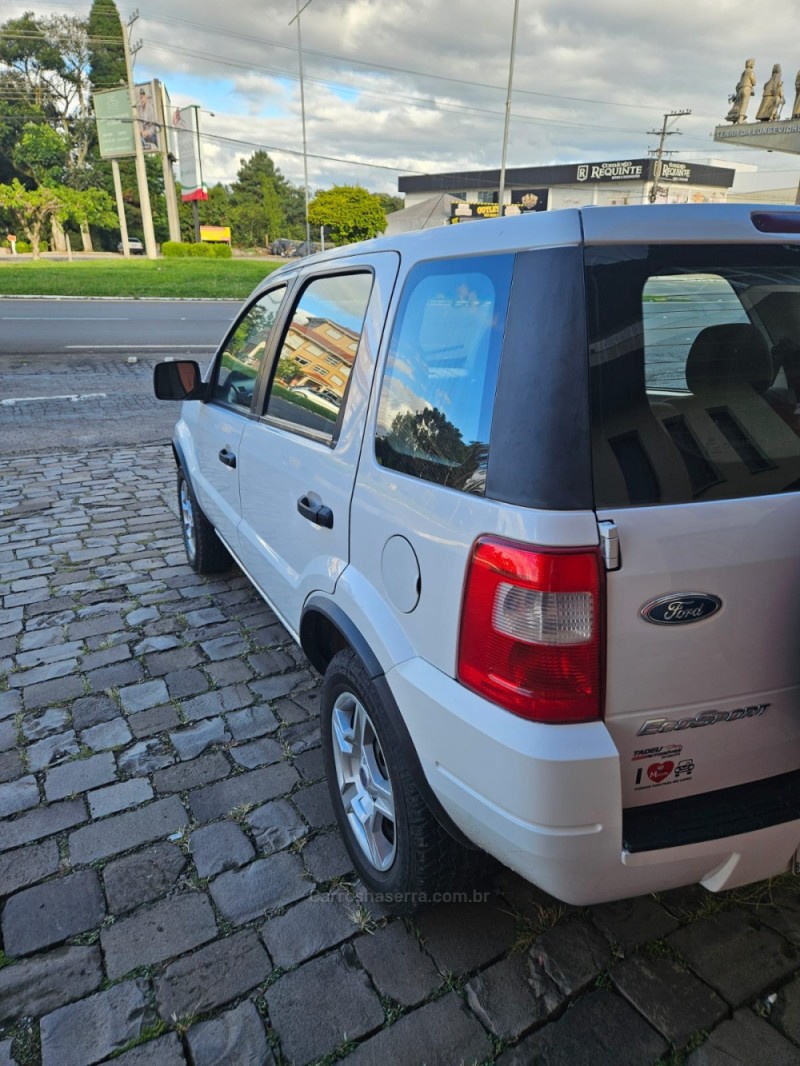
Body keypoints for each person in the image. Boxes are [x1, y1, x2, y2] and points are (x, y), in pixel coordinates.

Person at [725, 59, 756, 123]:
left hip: (740, 89)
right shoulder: (750, 71)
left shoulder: (743, 72)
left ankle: (737, 118)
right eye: (753, 63)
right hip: (747, 88)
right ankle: (740, 119)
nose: (753, 64)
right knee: (744, 103)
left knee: (739, 104)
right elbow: (754, 82)